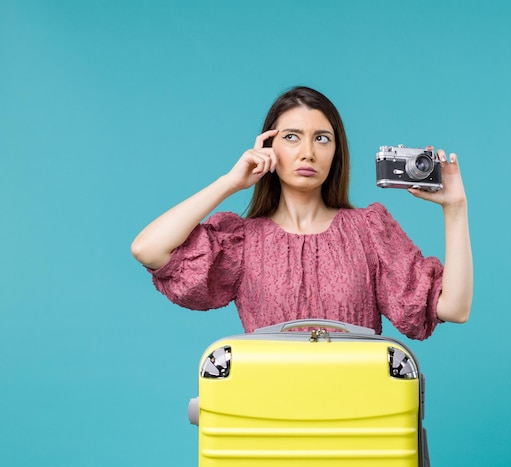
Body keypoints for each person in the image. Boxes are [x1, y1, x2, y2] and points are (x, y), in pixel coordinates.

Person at [131, 86, 473, 340]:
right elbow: (148, 249)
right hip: (269, 421)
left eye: (322, 139)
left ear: (336, 152)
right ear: (268, 147)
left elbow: (453, 309)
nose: (307, 152)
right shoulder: (241, 242)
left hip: (360, 420)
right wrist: (229, 183)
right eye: (292, 137)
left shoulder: (369, 230)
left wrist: (455, 208)